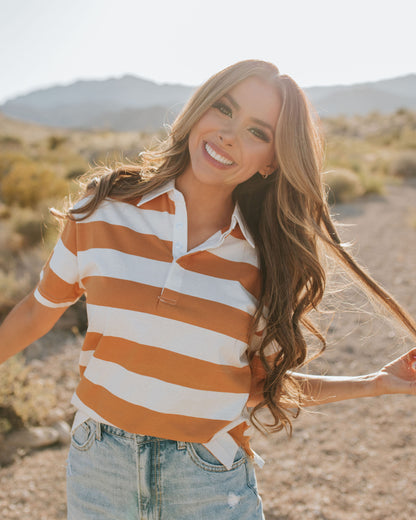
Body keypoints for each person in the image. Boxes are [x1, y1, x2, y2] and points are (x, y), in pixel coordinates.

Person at [1, 59, 415, 520]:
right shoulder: (104, 209)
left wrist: (377, 384)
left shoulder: (268, 261)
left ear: (272, 161)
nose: (229, 134)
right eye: (224, 109)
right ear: (199, 110)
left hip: (207, 479)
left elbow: (260, 389)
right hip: (100, 466)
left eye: (258, 132)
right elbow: (39, 311)